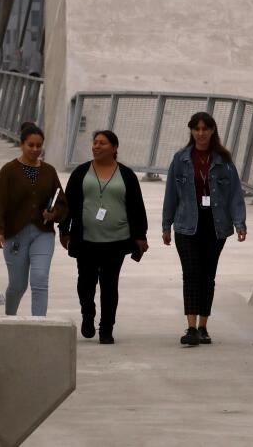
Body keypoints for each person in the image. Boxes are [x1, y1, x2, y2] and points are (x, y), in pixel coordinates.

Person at [162, 111, 248, 346]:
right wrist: (166, 225)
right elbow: (171, 194)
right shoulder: (180, 159)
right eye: (196, 129)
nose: (200, 133)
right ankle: (190, 327)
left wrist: (240, 222)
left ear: (212, 131)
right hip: (186, 225)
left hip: (215, 225)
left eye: (205, 129)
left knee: (207, 275)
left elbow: (234, 194)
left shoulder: (223, 160)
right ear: (191, 130)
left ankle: (203, 326)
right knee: (191, 274)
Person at [59, 130, 149, 344]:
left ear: (114, 148)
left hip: (116, 240)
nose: (96, 146)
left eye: (103, 143)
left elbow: (136, 207)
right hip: (86, 239)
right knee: (85, 282)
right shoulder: (81, 172)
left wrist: (140, 236)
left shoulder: (126, 175)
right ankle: (88, 315)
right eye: (95, 143)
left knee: (110, 285)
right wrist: (64, 229)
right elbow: (67, 203)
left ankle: (107, 328)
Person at [0, 122, 67, 316]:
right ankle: (9, 317)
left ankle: (39, 325)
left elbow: (62, 202)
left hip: (43, 234)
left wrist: (54, 213)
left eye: (39, 146)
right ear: (22, 144)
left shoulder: (49, 171)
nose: (35, 150)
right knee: (17, 285)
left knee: (40, 280)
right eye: (31, 145)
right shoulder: (9, 170)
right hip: (15, 234)